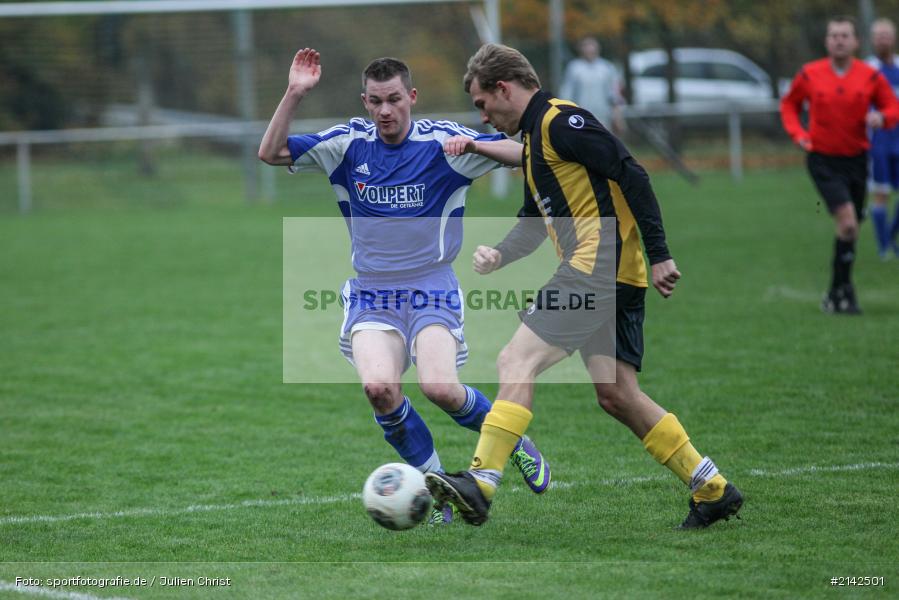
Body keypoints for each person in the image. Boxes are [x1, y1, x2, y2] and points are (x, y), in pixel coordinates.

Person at [428, 43, 743, 529]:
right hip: (612, 272)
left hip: (597, 266)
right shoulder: (534, 142)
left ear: (503, 88)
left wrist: (660, 254)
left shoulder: (560, 121)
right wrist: (500, 255)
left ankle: (481, 481)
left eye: (481, 103)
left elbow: (631, 172)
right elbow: (535, 220)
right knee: (617, 393)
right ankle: (711, 487)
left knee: (517, 359)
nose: (483, 116)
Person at [257, 48, 550, 524]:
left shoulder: (443, 143)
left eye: (394, 99)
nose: (385, 111)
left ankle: (514, 438)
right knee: (379, 388)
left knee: (440, 388)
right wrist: (294, 92)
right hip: (373, 291)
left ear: (411, 96)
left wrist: (476, 146)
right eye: (375, 102)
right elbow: (270, 153)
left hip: (431, 285)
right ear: (365, 102)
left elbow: (529, 154)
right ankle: (440, 491)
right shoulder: (347, 145)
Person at [781, 17, 899, 314]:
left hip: (857, 160)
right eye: (834, 35)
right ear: (827, 41)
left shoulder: (869, 76)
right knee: (847, 222)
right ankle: (844, 292)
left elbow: (892, 105)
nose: (839, 40)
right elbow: (789, 105)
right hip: (823, 159)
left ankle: (836, 292)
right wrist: (799, 134)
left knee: (850, 229)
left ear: (856, 42)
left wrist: (882, 118)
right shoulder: (810, 74)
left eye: (845, 35)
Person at [867, 18, 899, 259]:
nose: (883, 39)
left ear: (894, 37)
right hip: (878, 142)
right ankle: (884, 247)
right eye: (878, 35)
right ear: (871, 40)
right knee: (881, 193)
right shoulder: (867, 70)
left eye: (886, 35)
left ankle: (889, 236)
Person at [559, 36, 626, 134]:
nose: (589, 49)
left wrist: (617, 116)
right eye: (586, 46)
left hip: (603, 116)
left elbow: (614, 95)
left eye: (592, 46)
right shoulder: (574, 68)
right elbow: (566, 94)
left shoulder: (607, 68)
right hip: (581, 117)